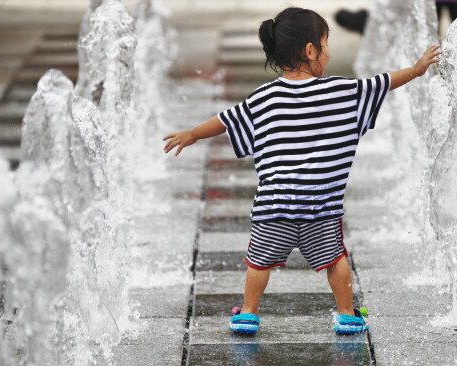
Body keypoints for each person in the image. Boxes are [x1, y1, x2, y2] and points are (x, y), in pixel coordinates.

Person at [163, 7, 441, 335]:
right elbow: (382, 84)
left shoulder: (264, 98)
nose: (328, 52)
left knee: (258, 261)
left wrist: (192, 134)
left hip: (274, 205)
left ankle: (248, 313)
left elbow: (226, 120)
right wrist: (417, 69)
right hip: (321, 206)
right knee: (336, 260)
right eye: (325, 45)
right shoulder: (342, 91)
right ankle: (347, 314)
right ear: (310, 51)